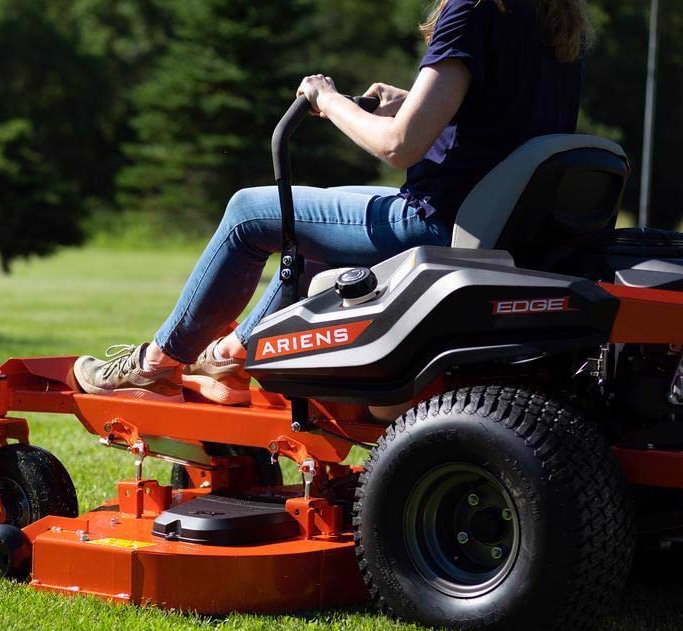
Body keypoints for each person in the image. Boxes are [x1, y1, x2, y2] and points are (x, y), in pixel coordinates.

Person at [74, 0, 593, 405]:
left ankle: (158, 364)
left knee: (247, 213)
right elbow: (496, 124)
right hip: (496, 227)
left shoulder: (474, 12)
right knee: (315, 237)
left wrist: (330, 101)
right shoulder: (556, 24)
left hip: (435, 221)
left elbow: (398, 147)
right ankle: (233, 356)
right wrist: (406, 102)